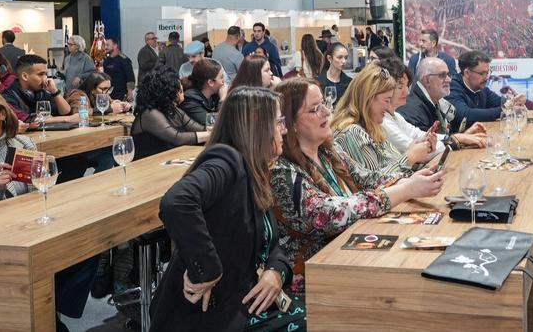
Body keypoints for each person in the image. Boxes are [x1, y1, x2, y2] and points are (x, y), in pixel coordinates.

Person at [271, 78, 446, 294]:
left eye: (325, 103)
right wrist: (406, 188)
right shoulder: (282, 171)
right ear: (291, 124)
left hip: (349, 257)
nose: (327, 112)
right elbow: (331, 213)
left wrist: (410, 180)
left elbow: (368, 178)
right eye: (315, 109)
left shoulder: (328, 150)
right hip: (318, 278)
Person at [151, 86, 301, 331]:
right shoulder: (226, 160)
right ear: (256, 127)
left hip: (247, 307)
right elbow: (177, 202)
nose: (283, 129)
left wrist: (276, 271)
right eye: (278, 122)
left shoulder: (255, 168)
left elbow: (269, 242)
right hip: (210, 315)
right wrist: (208, 270)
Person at [0, 87, 95, 326]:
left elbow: (40, 190)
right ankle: (46, 315)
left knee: (89, 239)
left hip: (34, 227)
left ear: (2, 114)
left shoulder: (23, 143)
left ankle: (51, 309)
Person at [331, 66, 433, 180]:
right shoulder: (352, 132)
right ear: (368, 99)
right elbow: (373, 184)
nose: (389, 106)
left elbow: (393, 165)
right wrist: (410, 158)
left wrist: (417, 156)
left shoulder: (373, 128)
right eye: (386, 100)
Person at [379, 57, 486, 154]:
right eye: (400, 87)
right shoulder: (405, 113)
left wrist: (461, 137)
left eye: (407, 86)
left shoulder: (396, 116)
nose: (407, 92)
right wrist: (456, 140)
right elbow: (418, 150)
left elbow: (422, 136)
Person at [447, 50, 522, 126]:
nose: (486, 78)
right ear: (467, 73)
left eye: (487, 73)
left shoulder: (482, 89)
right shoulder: (451, 87)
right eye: (482, 73)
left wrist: (515, 102)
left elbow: (502, 103)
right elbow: (465, 116)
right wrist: (506, 110)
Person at [1, 54, 76, 124]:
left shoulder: (40, 92)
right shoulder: (8, 95)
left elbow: (66, 112)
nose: (45, 78)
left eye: (46, 74)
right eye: (41, 74)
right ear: (25, 76)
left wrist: (55, 92)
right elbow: (25, 120)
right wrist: (67, 119)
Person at [398, 56, 462, 133]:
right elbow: (426, 143)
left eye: (448, 74)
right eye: (442, 75)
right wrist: (456, 139)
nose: (449, 79)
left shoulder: (436, 102)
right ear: (427, 80)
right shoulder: (412, 111)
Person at [178, 58, 225, 128]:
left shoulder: (213, 94)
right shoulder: (190, 101)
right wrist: (222, 100)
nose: (224, 81)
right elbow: (214, 124)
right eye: (221, 77)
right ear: (210, 82)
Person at [100, 36, 135, 101]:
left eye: (108, 45)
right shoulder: (105, 60)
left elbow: (130, 77)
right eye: (105, 45)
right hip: (108, 94)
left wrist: (130, 92)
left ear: (115, 45)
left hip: (121, 95)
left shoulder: (124, 60)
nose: (105, 47)